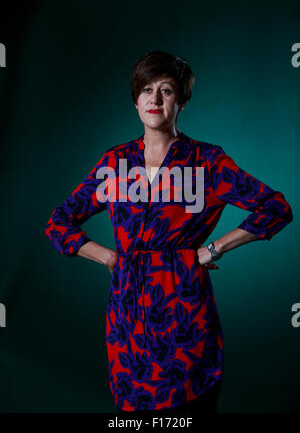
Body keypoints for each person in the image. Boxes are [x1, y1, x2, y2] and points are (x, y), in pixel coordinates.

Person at [45, 50, 293, 414]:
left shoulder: (207, 162)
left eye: (166, 90)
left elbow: (276, 208)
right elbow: (58, 222)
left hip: (185, 312)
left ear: (182, 101)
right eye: (146, 90)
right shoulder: (114, 164)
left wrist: (214, 248)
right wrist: (109, 257)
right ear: (135, 101)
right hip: (127, 317)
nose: (155, 99)